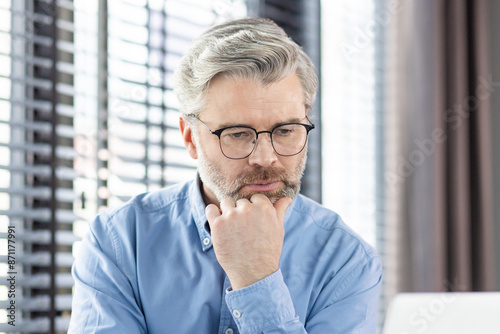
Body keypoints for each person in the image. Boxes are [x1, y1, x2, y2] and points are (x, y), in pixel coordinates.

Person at [68, 17, 382, 333]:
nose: (265, 157)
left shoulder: (347, 262)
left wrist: (257, 278)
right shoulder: (118, 244)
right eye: (237, 134)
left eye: (285, 130)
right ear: (190, 138)